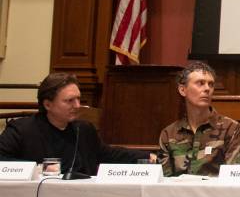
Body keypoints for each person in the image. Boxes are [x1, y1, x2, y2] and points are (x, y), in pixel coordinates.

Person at [0, 73, 153, 175]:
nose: (77, 105)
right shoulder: (22, 130)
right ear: (47, 104)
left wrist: (147, 156)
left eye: (79, 99)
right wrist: (39, 169)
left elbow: (108, 154)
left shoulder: (84, 129)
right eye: (69, 101)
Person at [158, 61, 240, 176]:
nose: (207, 89)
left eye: (211, 84)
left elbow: (235, 176)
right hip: (179, 193)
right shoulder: (169, 133)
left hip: (215, 193)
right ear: (182, 90)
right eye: (200, 83)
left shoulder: (230, 128)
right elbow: (163, 182)